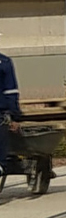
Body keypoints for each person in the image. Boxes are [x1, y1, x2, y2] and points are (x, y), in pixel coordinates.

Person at [0, 33, 22, 176]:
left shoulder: (4, 63)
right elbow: (10, 91)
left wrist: (14, 117)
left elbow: (10, 91)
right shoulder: (4, 62)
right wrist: (15, 117)